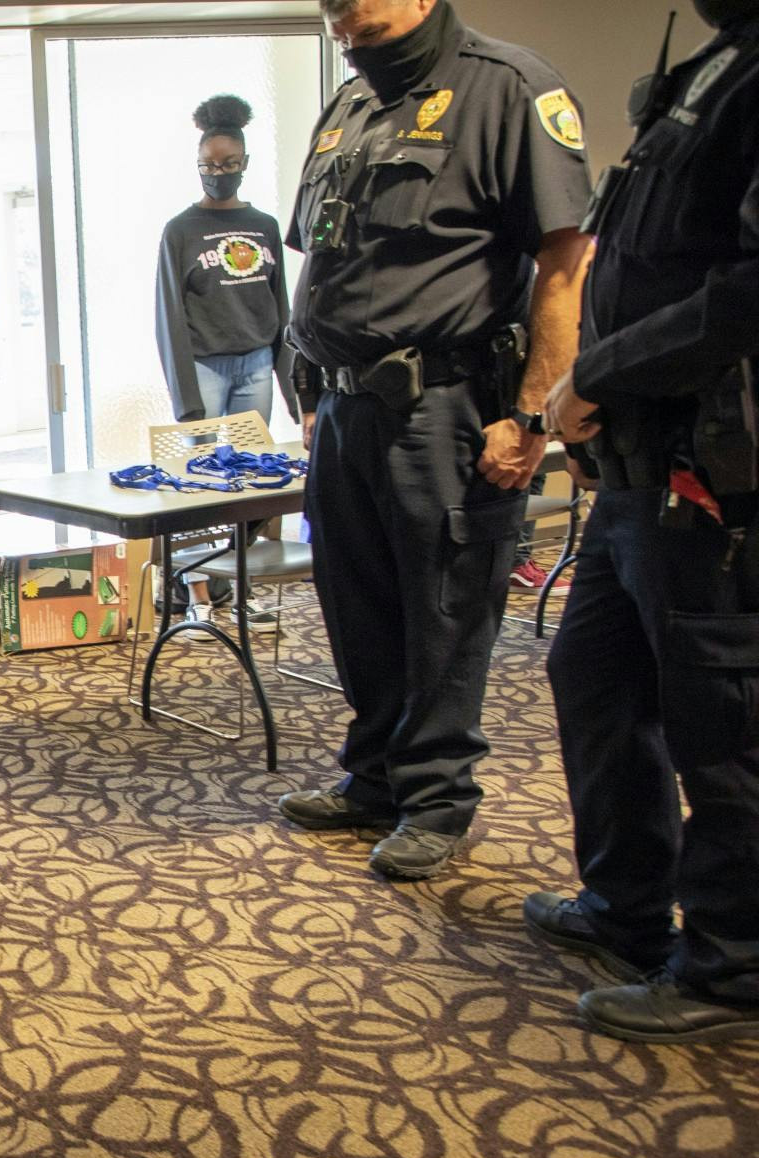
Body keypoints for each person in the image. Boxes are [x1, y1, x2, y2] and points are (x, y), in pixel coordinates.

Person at [275, 0, 593, 879]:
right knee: (356, 600)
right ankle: (374, 773)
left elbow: (564, 263)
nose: (342, 10)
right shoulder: (347, 106)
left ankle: (438, 797)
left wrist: (532, 417)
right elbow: (322, 261)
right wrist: (308, 388)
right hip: (344, 409)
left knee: (445, 608)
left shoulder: (509, 88)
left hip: (445, 406)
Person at [528, 0, 759, 1043]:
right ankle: (624, 908)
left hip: (711, 484)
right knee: (596, 684)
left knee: (723, 733)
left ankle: (729, 967)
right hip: (634, 473)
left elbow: (744, 295)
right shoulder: (715, 67)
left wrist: (595, 370)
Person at [153, 93, 298, 632]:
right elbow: (169, 315)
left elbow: (281, 307)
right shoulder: (181, 230)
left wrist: (292, 387)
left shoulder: (264, 225)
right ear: (198, 167)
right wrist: (186, 397)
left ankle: (238, 590)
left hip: (256, 363)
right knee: (198, 483)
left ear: (244, 165)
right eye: (210, 166)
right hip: (206, 369)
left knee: (252, 486)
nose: (220, 173)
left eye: (229, 165)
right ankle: (196, 593)